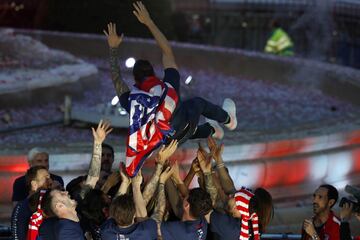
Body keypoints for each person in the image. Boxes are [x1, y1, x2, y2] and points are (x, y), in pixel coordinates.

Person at [103, 1, 237, 177]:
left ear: (135, 80)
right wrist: (149, 22)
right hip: (186, 125)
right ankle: (229, 119)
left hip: (168, 143)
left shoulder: (132, 100)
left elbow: (116, 79)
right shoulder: (167, 87)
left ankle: (214, 130)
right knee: (197, 103)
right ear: (153, 73)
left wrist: (113, 49)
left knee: (186, 129)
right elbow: (167, 51)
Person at [11, 166, 52, 240]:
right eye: (46, 178)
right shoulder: (22, 207)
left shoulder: (52, 204)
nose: (51, 182)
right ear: (34, 184)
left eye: (50, 178)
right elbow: (18, 236)